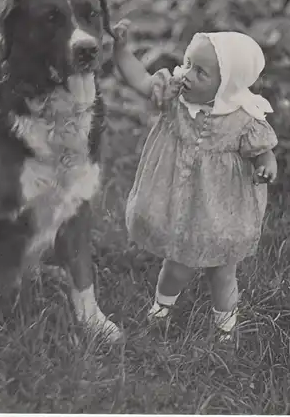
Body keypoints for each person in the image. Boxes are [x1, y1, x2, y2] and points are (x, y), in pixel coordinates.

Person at [112, 20, 278, 341]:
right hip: (181, 204)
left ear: (227, 83)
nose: (186, 74)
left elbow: (263, 150)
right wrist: (120, 49)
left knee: (223, 272)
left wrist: (266, 165)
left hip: (222, 211)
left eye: (201, 72)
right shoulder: (175, 95)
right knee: (176, 263)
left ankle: (224, 328)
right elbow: (138, 80)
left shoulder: (244, 118)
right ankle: (161, 310)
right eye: (188, 63)